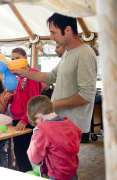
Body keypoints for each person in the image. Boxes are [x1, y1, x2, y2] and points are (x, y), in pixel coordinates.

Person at [11, 13, 97, 143]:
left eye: (53, 32)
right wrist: (23, 73)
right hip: (60, 122)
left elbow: (87, 96)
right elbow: (51, 76)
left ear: (67, 30)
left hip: (71, 125)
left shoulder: (85, 53)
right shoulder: (68, 52)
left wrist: (52, 105)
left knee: (63, 162)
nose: (51, 37)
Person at [27, 95, 82, 180]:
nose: (36, 125)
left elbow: (34, 157)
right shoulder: (67, 122)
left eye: (36, 123)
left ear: (38, 117)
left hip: (56, 175)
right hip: (72, 170)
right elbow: (79, 132)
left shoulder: (42, 130)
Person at [4, 48, 42, 172]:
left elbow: (34, 100)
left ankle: (29, 178)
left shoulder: (32, 74)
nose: (14, 61)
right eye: (12, 59)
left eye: (18, 58)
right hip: (17, 119)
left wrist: (25, 120)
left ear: (25, 58)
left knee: (22, 152)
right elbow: (21, 97)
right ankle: (26, 176)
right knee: (19, 152)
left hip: (25, 120)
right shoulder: (18, 77)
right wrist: (11, 98)